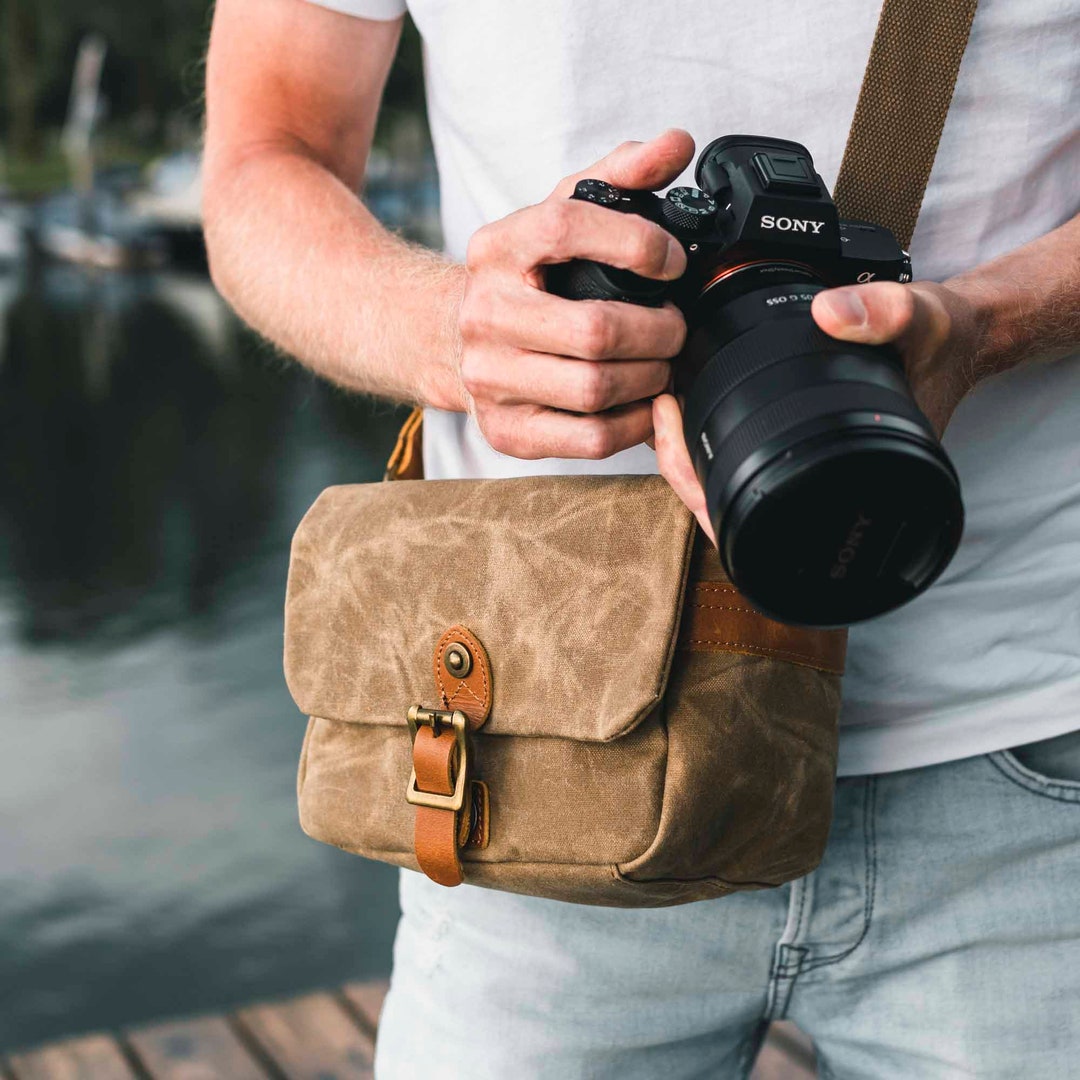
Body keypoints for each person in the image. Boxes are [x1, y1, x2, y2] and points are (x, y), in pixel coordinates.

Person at [203, 1, 1080, 1075]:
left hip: (1031, 752)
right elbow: (263, 157)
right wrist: (456, 330)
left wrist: (993, 321)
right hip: (537, 746)